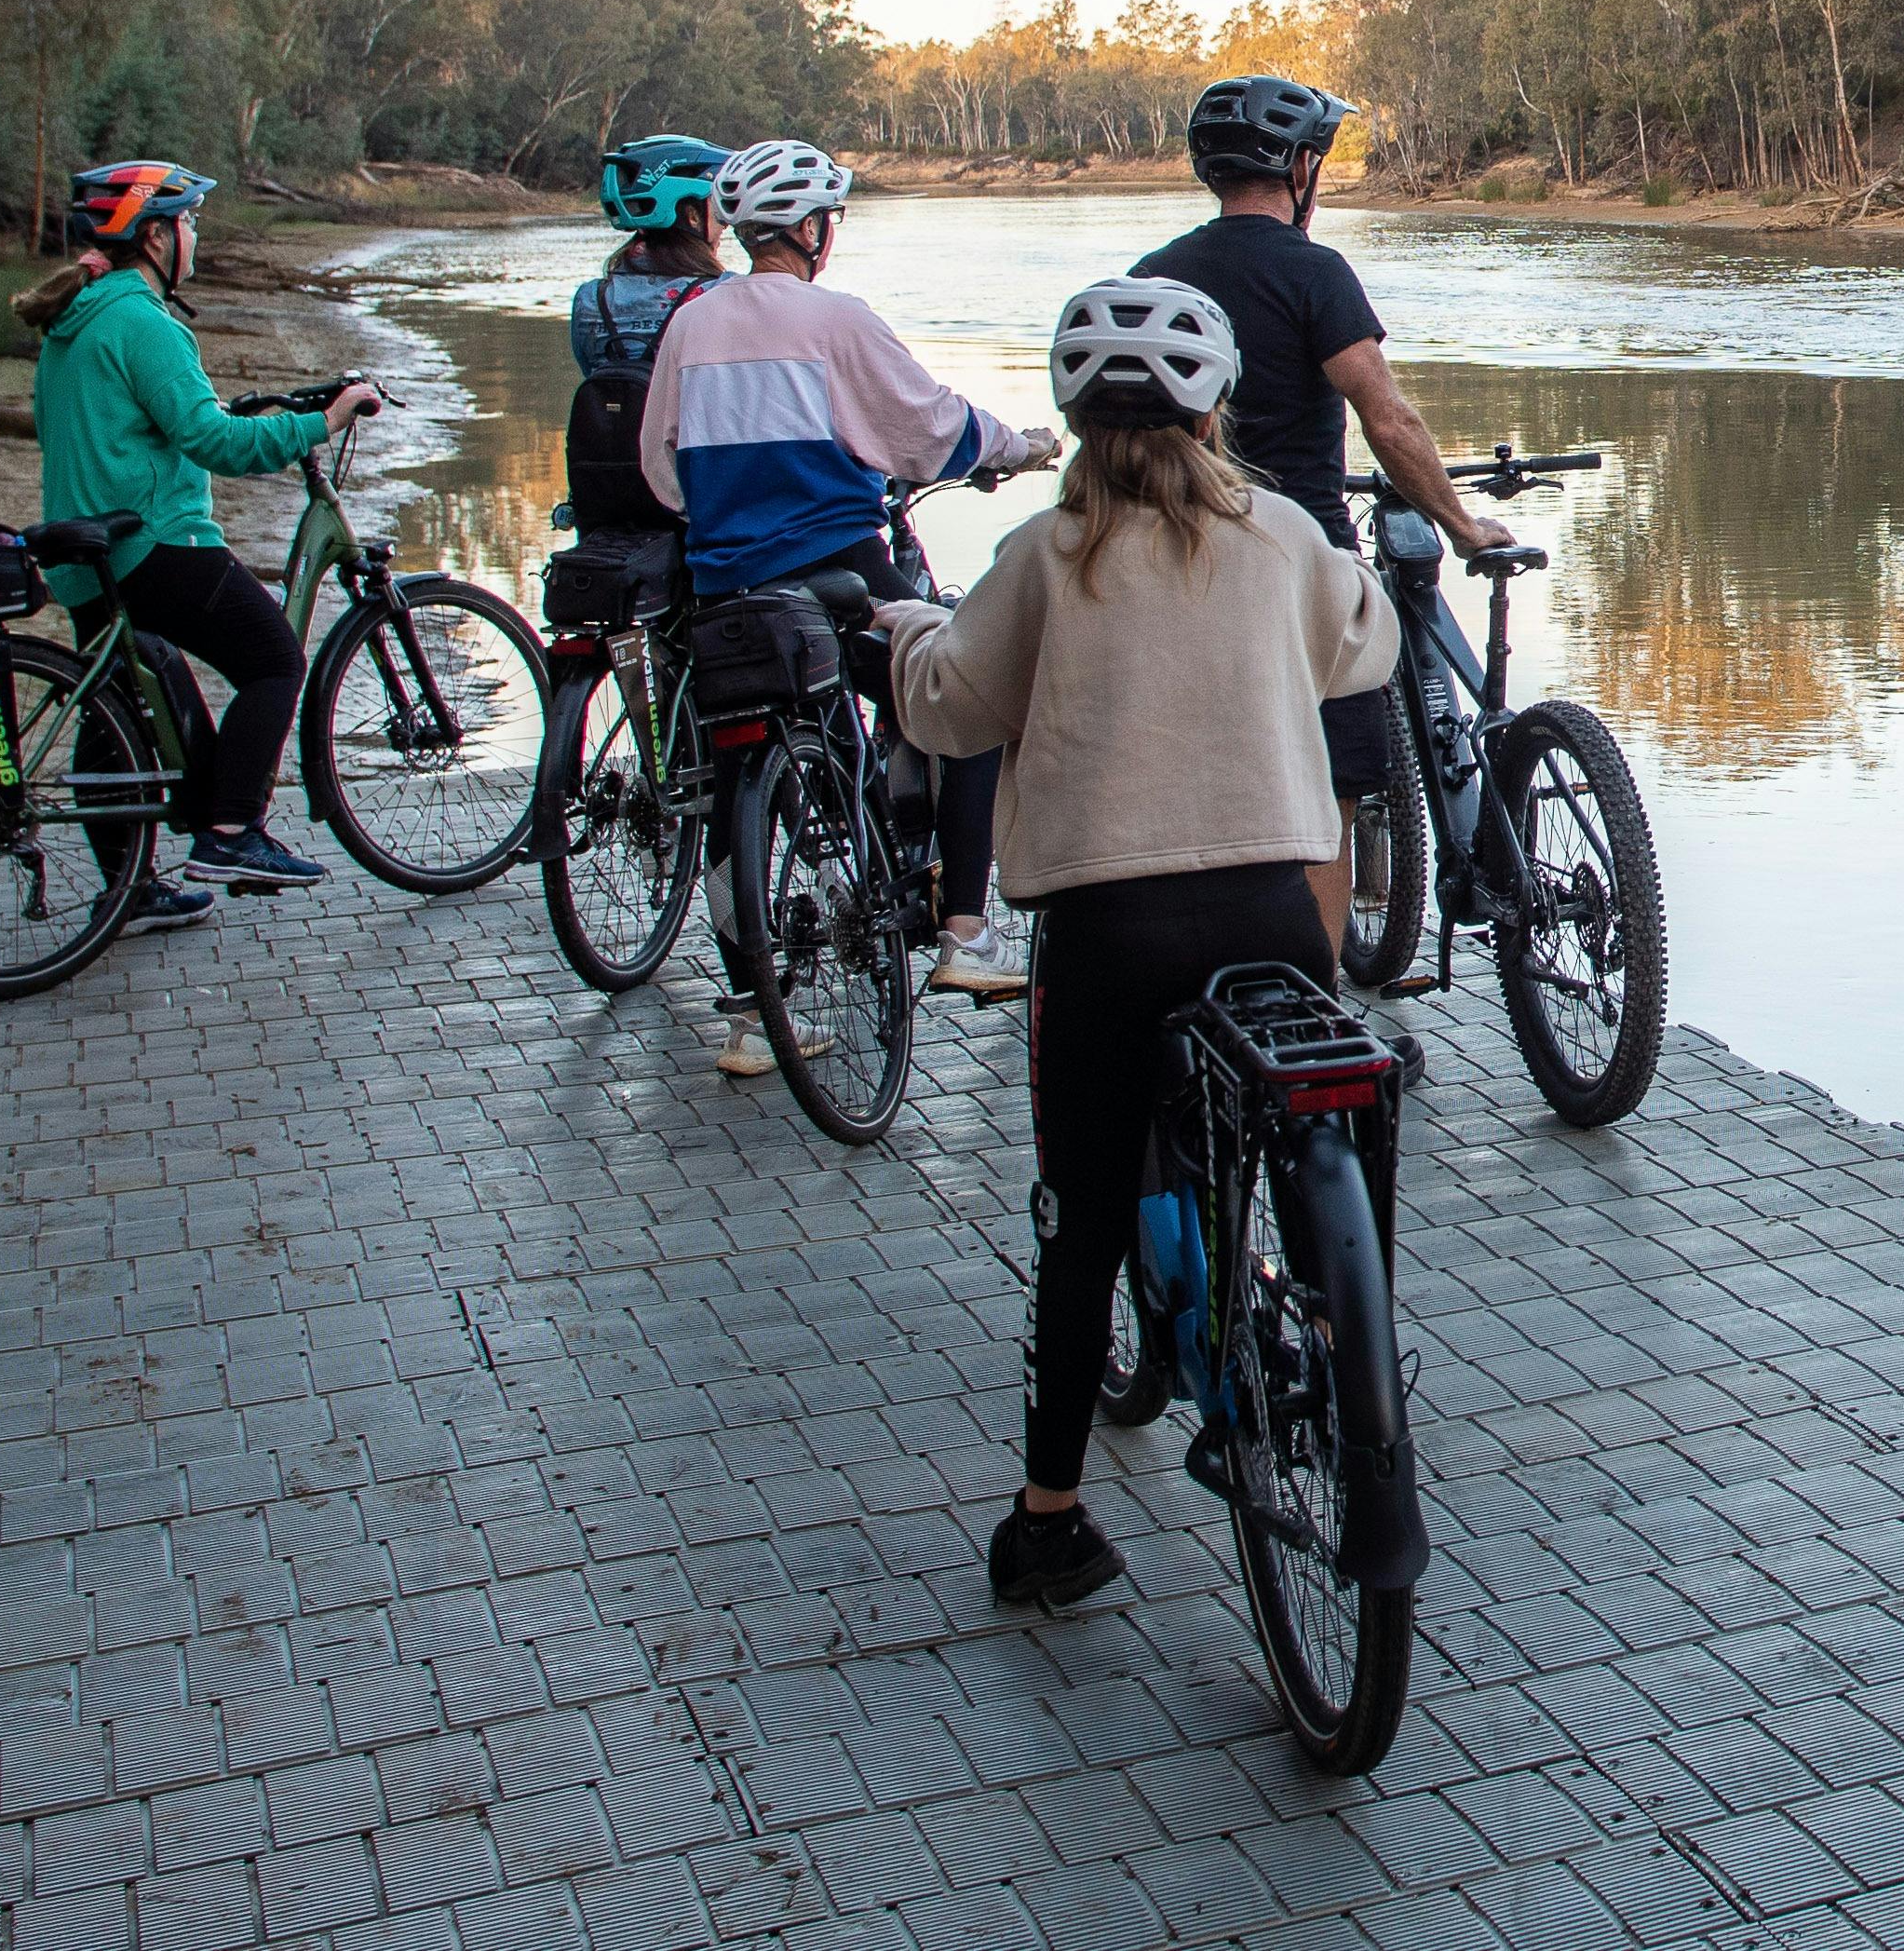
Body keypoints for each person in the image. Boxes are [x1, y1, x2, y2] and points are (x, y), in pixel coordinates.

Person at [884, 278, 1407, 1618]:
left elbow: (948, 712)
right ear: (1215, 406)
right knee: (1313, 1119)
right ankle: (1347, 1354)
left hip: (1107, 931)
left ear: (1070, 415)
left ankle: (1049, 1520)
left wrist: (907, 639)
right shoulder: (1283, 532)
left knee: (1084, 1218)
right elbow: (1368, 650)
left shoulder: (1045, 554)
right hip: (1270, 913)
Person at [640, 140, 1061, 1057]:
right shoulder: (837, 319)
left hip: (725, 596)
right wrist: (1019, 447)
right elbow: (930, 426)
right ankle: (964, 933)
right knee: (967, 691)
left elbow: (662, 470)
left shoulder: (690, 323)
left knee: (730, 788)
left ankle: (754, 1016)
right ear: (812, 229)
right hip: (836, 577)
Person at [1128, 78, 1510, 952]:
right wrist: (1460, 524)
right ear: (1300, 168)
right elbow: (1388, 419)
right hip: (1303, 568)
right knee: (1327, 797)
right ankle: (1318, 1005)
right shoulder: (1314, 272)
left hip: (1178, 561)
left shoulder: (1153, 277)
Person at [20, 161, 385, 928]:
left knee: (115, 716)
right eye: (189, 223)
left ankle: (128, 890)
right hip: (154, 544)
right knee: (273, 659)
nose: (196, 236)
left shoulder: (73, 321)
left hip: (85, 558)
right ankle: (229, 832)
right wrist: (324, 421)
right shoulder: (145, 323)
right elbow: (214, 441)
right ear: (154, 237)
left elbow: (132, 422)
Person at [565, 135, 732, 536]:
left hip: (606, 494)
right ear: (691, 215)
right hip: (690, 496)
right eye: (718, 209)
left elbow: (592, 365)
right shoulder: (719, 295)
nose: (724, 223)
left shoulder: (592, 298)